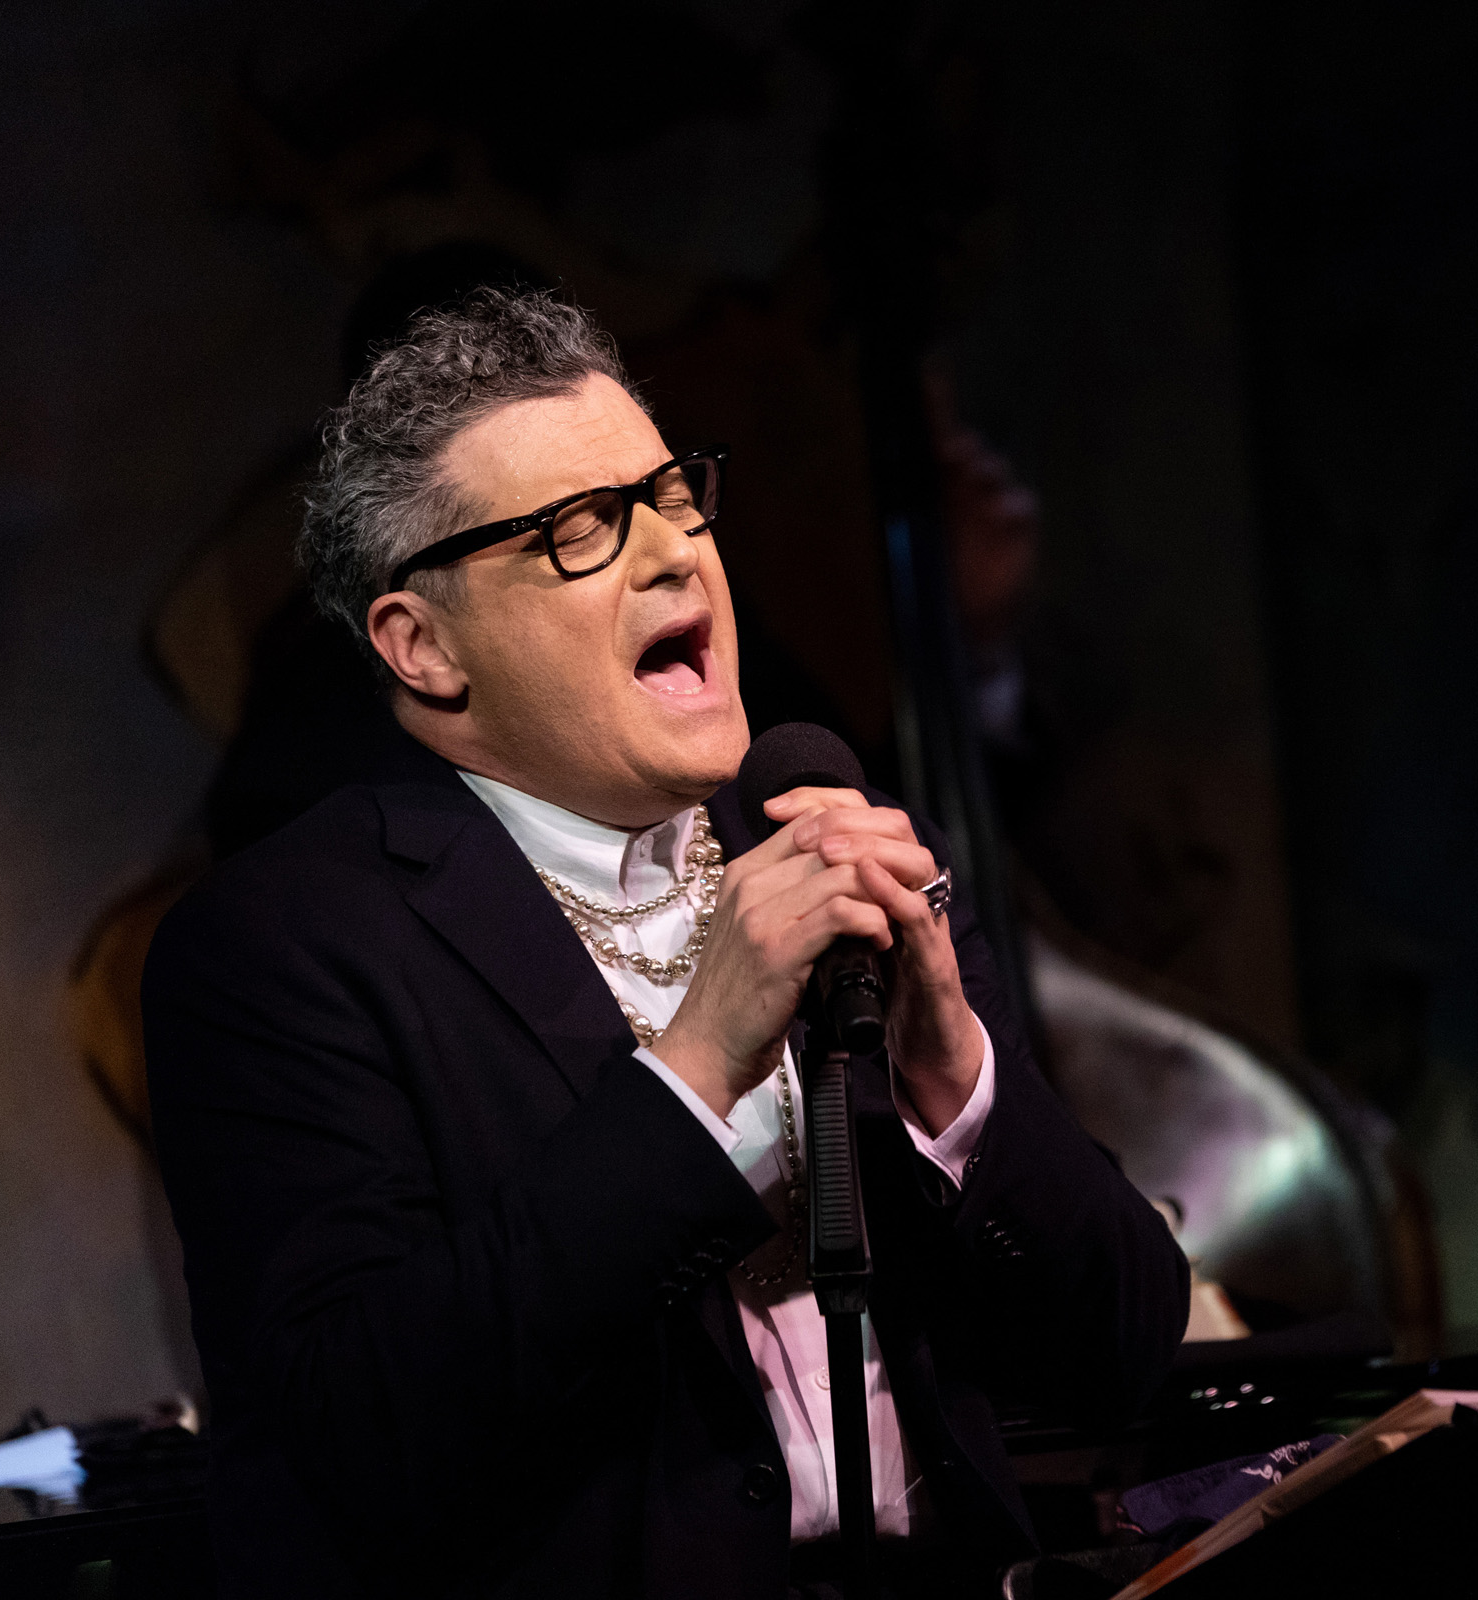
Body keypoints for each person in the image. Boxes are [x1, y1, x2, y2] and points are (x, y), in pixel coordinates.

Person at [143, 288, 1190, 1599]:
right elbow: (370, 1432)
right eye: (580, 530)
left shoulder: (836, 848)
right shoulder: (284, 945)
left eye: (676, 496)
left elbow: (1124, 1352)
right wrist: (695, 1071)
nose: (675, 554)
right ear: (423, 647)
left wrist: (957, 1085)